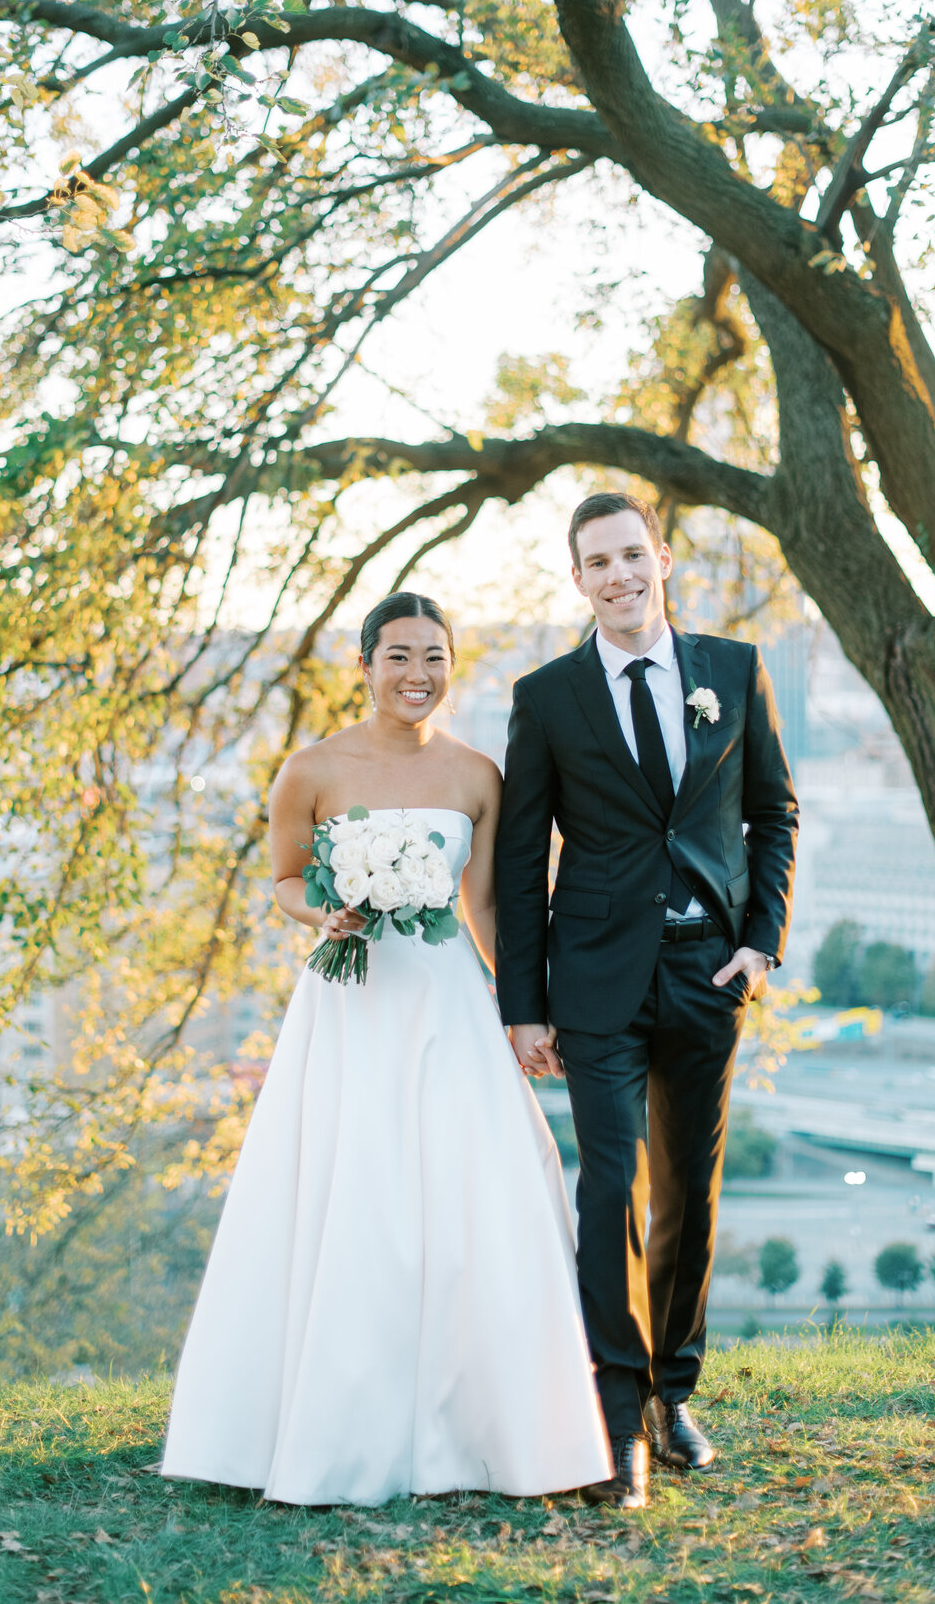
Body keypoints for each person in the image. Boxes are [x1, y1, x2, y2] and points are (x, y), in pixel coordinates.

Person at [162, 591, 611, 1506]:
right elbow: (285, 880)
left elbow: (484, 909)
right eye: (399, 656)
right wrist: (324, 912)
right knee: (353, 1196)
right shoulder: (311, 770)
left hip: (446, 1002)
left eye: (435, 658)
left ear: (454, 666)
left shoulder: (479, 775)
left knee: (475, 1196)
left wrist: (525, 1010)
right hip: (350, 1004)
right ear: (364, 666)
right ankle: (333, 1427)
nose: (418, 675)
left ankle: (488, 1432)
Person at [495, 496, 798, 1509]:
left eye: (633, 554)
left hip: (709, 974)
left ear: (662, 559)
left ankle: (674, 1396)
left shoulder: (735, 669)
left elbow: (772, 812)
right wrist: (522, 1005)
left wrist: (760, 945)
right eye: (597, 562)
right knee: (609, 1188)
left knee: (688, 1193)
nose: (619, 575)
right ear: (578, 580)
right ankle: (614, 1423)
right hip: (595, 981)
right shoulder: (547, 697)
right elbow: (520, 855)